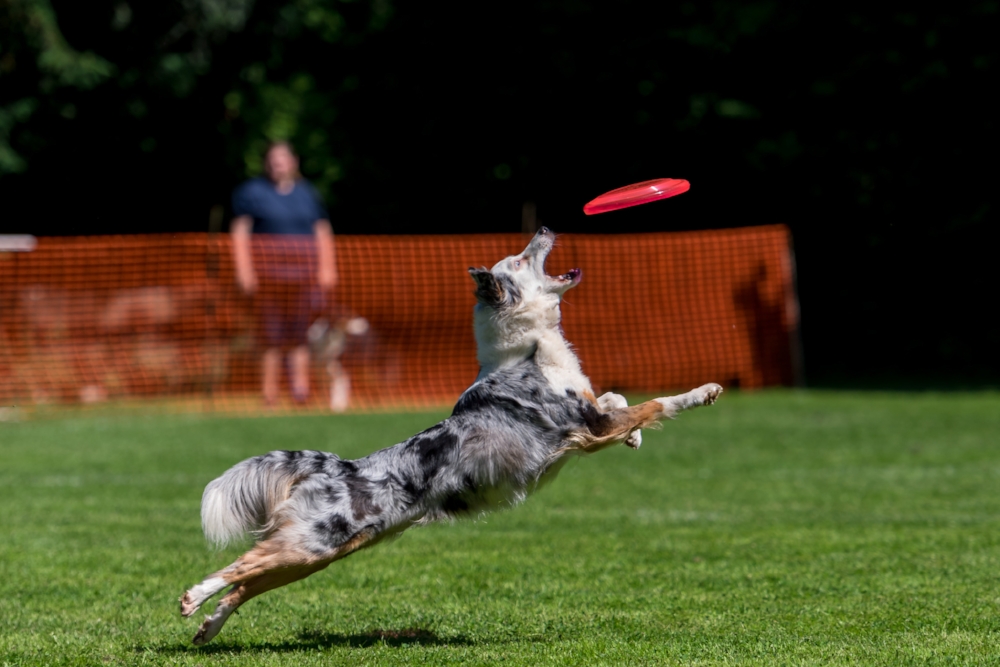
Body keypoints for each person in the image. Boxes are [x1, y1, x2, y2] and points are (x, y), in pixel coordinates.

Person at [230, 141, 337, 406]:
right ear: (266, 163)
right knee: (271, 335)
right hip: (268, 278)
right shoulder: (252, 192)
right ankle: (270, 395)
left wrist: (327, 267)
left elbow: (322, 230)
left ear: (293, 162)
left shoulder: (307, 193)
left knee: (299, 334)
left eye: (283, 158)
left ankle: (300, 392)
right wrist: (244, 269)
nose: (278, 164)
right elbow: (240, 232)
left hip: (303, 278)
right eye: (273, 159)